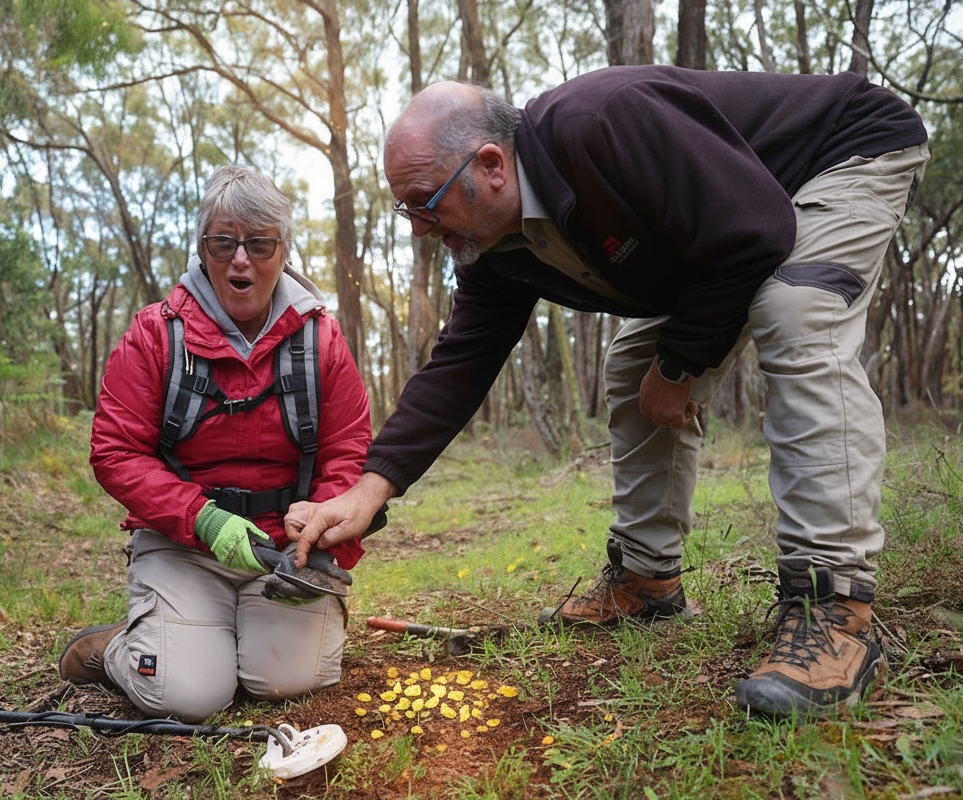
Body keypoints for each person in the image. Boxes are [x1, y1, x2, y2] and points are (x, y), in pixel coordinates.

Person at [285, 66, 929, 720]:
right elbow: (461, 361)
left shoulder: (604, 126)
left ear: (490, 166)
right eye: (407, 209)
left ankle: (833, 609)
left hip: (838, 153)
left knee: (798, 313)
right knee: (631, 363)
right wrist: (371, 488)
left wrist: (677, 370)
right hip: (733, 218)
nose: (419, 227)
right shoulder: (491, 247)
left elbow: (755, 231)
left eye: (426, 200)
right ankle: (648, 581)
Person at [58, 164, 371, 724]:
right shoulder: (154, 335)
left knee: (287, 682)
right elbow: (115, 451)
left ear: (283, 251)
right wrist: (201, 519)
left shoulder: (322, 340)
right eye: (223, 243)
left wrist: (323, 532)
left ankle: (222, 632)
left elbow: (347, 449)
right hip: (183, 546)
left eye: (259, 243)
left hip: (282, 553)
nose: (241, 259)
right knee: (188, 697)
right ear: (202, 250)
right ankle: (114, 650)